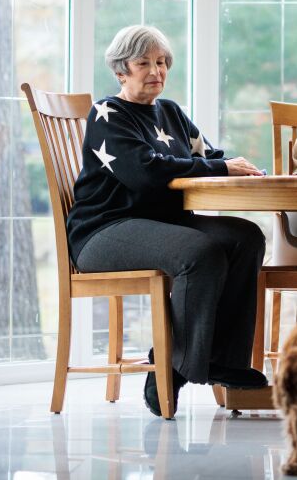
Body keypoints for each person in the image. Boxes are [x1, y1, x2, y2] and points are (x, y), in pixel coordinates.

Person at [67, 24, 268, 416]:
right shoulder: (109, 114)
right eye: (143, 63)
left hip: (164, 226)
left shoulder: (172, 112)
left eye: (161, 62)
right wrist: (218, 166)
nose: (156, 70)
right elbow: (144, 173)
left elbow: (210, 156)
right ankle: (174, 367)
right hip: (104, 230)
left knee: (245, 237)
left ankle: (222, 360)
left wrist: (232, 166)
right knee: (201, 252)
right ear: (121, 70)